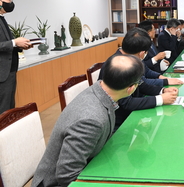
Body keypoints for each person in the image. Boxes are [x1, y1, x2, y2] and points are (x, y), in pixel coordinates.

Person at [32, 54, 144, 187]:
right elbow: (67, 176)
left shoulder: (100, 91)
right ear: (131, 88)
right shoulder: (91, 120)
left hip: (88, 164)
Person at [99, 28, 180, 130]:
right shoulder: (118, 66)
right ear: (142, 53)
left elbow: (141, 84)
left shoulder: (129, 59)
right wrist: (161, 99)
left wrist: (162, 90)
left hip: (131, 114)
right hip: (118, 122)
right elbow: (126, 103)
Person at [0, 0, 33, 114]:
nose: (11, 3)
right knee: (3, 109)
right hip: (2, 73)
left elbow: (6, 44)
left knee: (9, 107)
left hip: (10, 70)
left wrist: (19, 46)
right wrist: (14, 42)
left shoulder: (2, 19)